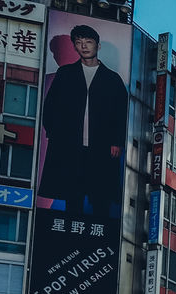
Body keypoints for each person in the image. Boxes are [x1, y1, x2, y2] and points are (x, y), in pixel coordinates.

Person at [38, 24, 128, 216]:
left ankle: (99, 234)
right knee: (72, 193)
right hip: (70, 144)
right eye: (79, 43)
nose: (84, 46)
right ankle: (70, 231)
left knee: (101, 195)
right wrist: (54, 134)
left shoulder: (112, 79)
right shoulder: (65, 74)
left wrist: (117, 141)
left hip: (102, 146)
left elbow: (121, 113)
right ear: (74, 46)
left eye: (88, 42)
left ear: (98, 45)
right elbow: (50, 107)